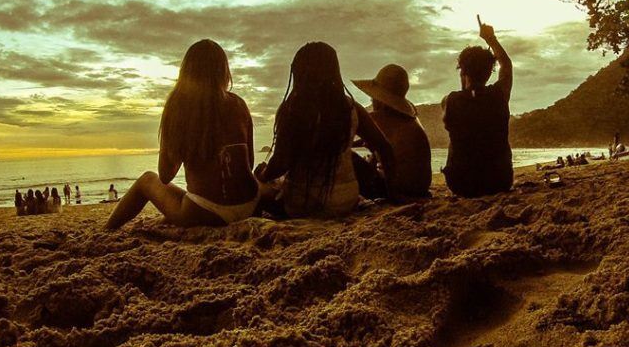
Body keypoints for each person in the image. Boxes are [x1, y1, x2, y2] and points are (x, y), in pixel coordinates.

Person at [106, 39, 259, 230]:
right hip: (250, 205)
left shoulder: (180, 107)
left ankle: (107, 229)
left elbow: (165, 175)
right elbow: (249, 164)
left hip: (206, 213)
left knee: (147, 180)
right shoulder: (239, 104)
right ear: (223, 71)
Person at [257, 42, 396, 218]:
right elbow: (385, 147)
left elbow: (281, 163)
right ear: (334, 71)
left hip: (301, 205)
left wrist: (262, 175)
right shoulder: (351, 108)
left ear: (299, 72)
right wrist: (393, 193)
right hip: (344, 202)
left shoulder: (291, 110)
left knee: (259, 190)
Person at [441, 17, 512, 198]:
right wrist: (491, 39)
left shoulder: (449, 101)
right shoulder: (500, 95)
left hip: (461, 184)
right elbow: (506, 65)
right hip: (500, 181)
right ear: (489, 73)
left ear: (462, 71)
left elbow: (465, 104)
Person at [351, 64, 431, 200]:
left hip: (399, 188)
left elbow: (349, 139)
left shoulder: (378, 118)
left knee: (348, 157)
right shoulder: (410, 120)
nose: (371, 99)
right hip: (421, 188)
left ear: (381, 100)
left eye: (373, 97)